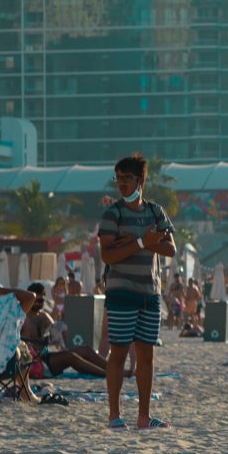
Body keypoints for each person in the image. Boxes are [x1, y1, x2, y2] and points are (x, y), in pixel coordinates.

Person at [96, 153, 176, 428]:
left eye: (126, 178)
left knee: (146, 355)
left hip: (150, 292)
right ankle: (114, 415)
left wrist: (139, 243)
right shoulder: (112, 214)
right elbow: (108, 256)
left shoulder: (156, 212)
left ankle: (144, 416)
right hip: (120, 291)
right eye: (118, 178)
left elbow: (170, 249)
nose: (121, 184)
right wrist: (144, 242)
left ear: (140, 181)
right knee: (117, 352)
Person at [19, 282, 105, 378]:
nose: (39, 303)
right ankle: (106, 374)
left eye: (41, 301)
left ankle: (113, 369)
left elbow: (58, 334)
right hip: (33, 362)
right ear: (30, 299)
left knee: (86, 350)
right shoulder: (21, 317)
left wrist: (60, 330)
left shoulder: (43, 316)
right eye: (36, 300)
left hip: (45, 357)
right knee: (69, 357)